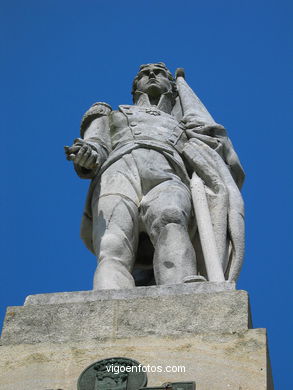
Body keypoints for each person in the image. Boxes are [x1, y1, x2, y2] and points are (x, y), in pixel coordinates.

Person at [65, 63, 245, 289]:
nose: (150, 74)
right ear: (134, 87)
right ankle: (107, 299)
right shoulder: (109, 114)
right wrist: (87, 155)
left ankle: (180, 291)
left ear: (171, 86)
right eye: (143, 74)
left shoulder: (187, 124)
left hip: (170, 172)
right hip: (118, 169)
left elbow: (216, 152)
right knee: (112, 244)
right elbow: (96, 146)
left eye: (159, 72)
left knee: (171, 218)